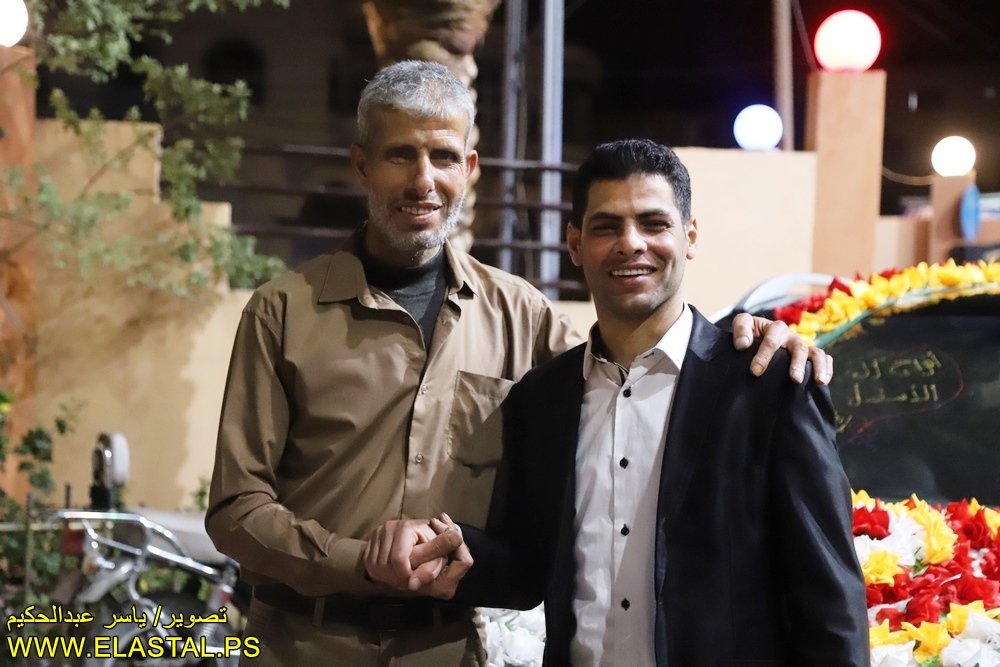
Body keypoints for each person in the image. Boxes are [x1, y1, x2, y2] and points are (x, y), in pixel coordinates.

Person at [206, 60, 834, 667]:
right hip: (303, 645)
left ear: (469, 168)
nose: (423, 181)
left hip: (446, 649)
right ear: (362, 164)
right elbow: (236, 508)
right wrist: (357, 561)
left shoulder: (520, 313)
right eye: (400, 155)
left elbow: (629, 375)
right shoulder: (283, 312)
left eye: (443, 156)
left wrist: (747, 337)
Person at [366, 139, 869, 666]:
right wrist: (451, 550)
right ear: (575, 243)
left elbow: (830, 602)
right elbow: (530, 566)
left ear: (690, 236)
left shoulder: (769, 386)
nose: (631, 243)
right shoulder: (542, 399)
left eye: (654, 224)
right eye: (607, 227)